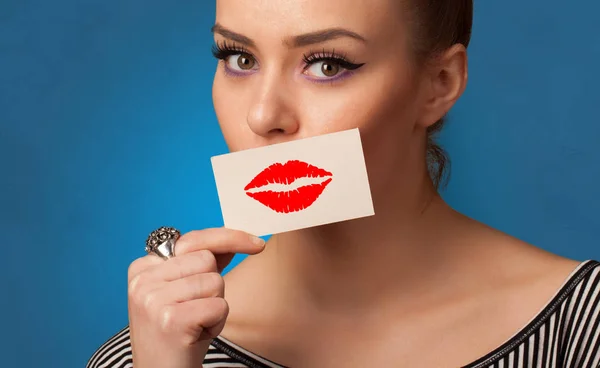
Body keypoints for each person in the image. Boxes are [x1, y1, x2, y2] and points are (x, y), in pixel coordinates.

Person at [87, 0, 600, 367]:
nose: (264, 116)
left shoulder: (582, 329)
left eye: (327, 64)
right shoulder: (149, 355)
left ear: (439, 85)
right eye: (240, 59)